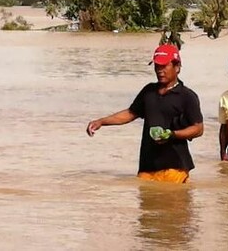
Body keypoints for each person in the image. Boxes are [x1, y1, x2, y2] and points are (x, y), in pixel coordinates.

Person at [86, 44, 204, 184]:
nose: (159, 71)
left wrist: (172, 134)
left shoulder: (187, 96)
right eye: (157, 66)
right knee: (146, 204)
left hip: (175, 166)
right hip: (147, 166)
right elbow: (130, 113)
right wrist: (101, 122)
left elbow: (198, 129)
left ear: (177, 67)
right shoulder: (149, 92)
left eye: (164, 66)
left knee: (172, 203)